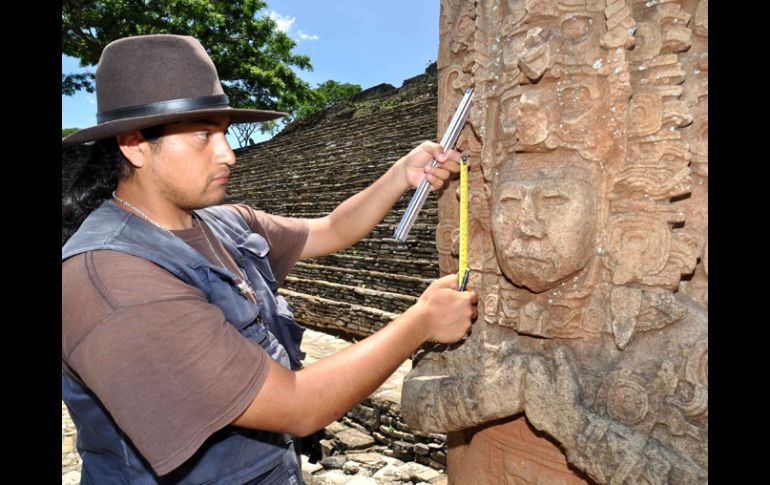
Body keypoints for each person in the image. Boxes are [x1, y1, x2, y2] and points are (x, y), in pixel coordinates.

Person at [61, 34, 478, 484]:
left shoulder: (222, 224)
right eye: (204, 134)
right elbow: (297, 406)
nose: (229, 154)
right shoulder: (111, 276)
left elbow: (330, 230)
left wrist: (401, 175)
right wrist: (421, 322)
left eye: (223, 131)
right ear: (134, 144)